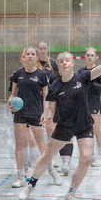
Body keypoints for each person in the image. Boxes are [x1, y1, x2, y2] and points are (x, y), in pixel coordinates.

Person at [18, 47, 101, 200]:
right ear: (58, 65)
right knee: (47, 156)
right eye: (61, 61)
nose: (64, 63)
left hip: (84, 125)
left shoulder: (83, 77)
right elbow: (51, 108)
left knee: (85, 159)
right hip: (65, 126)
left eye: (67, 60)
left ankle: (70, 193)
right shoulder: (55, 86)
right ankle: (31, 185)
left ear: (72, 63)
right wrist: (48, 116)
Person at [8, 47, 61, 188]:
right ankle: (20, 177)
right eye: (28, 54)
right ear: (24, 57)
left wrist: (45, 113)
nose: (30, 56)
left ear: (36, 57)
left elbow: (46, 96)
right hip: (20, 114)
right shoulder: (17, 74)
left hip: (36, 113)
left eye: (33, 54)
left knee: (42, 146)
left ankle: (52, 171)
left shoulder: (41, 75)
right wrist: (10, 101)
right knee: (19, 145)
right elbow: (13, 94)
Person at [36, 41, 73, 174]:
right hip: (45, 102)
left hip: (63, 104)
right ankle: (54, 156)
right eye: (40, 48)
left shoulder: (54, 66)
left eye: (44, 48)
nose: (42, 51)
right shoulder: (36, 66)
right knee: (51, 130)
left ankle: (66, 161)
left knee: (67, 132)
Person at [80, 47, 101, 167]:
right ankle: (89, 154)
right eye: (88, 55)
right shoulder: (81, 71)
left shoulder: (99, 70)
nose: (90, 57)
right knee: (86, 131)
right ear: (85, 57)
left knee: (96, 130)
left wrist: (92, 84)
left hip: (94, 103)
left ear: (95, 57)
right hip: (83, 105)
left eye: (92, 55)